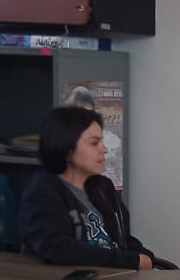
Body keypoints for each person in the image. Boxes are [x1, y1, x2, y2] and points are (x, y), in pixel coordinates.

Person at [18, 106, 171, 270]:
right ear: (67, 148)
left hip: (115, 278)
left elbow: (123, 239)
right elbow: (57, 248)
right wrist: (132, 261)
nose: (104, 149)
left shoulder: (104, 187)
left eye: (102, 141)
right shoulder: (43, 190)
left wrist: (144, 255)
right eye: (94, 143)